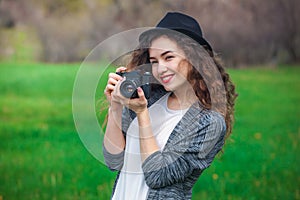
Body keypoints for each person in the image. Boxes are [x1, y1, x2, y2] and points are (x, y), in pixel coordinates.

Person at [103, 12, 237, 200]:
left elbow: (158, 175)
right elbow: (113, 161)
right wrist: (115, 107)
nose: (160, 69)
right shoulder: (149, 99)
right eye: (154, 61)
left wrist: (142, 115)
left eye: (169, 57)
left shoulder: (209, 124)